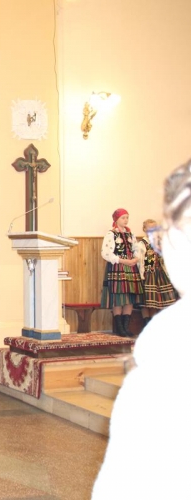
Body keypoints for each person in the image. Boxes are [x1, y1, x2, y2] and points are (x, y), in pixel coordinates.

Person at [92, 160, 191, 499]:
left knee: (130, 303)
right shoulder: (162, 338)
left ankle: (123, 325)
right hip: (119, 269)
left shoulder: (164, 339)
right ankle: (120, 327)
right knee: (122, 303)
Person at [100, 209, 143, 337]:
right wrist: (123, 261)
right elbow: (106, 253)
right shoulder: (111, 234)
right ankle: (119, 328)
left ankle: (125, 327)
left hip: (131, 268)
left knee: (129, 297)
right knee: (118, 298)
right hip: (118, 266)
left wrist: (136, 258)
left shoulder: (130, 234)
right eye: (123, 218)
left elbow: (136, 249)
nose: (126, 220)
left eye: (127, 217)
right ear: (116, 219)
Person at [136, 219, 179, 326]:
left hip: (159, 273)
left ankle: (154, 322)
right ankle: (146, 321)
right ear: (144, 229)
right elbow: (140, 260)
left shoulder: (159, 242)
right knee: (147, 300)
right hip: (148, 274)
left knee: (157, 300)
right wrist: (141, 274)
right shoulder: (142, 244)